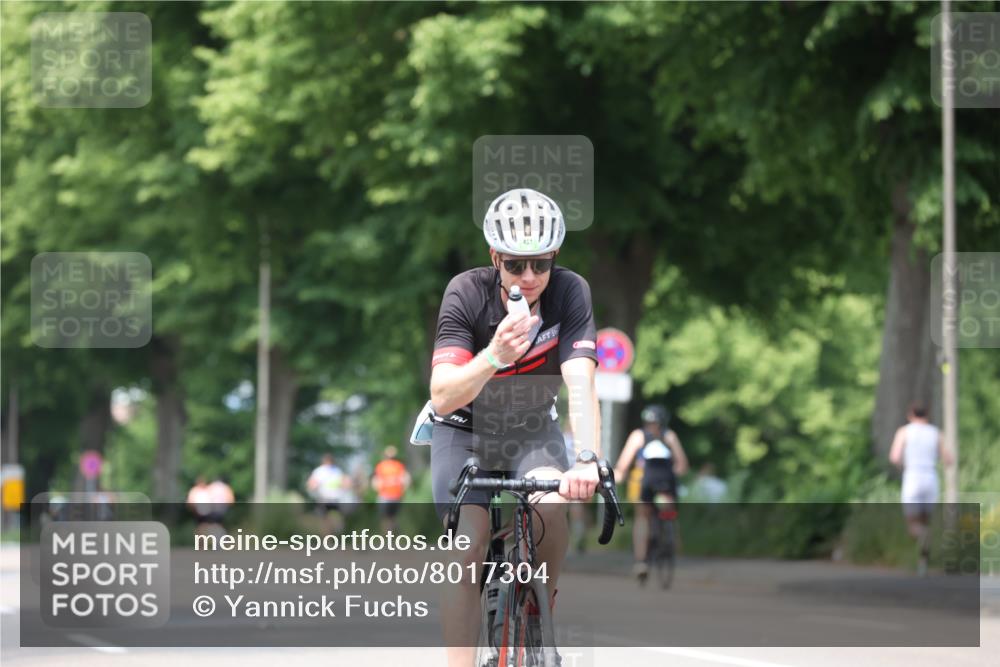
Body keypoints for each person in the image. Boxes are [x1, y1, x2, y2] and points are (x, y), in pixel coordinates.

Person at [429, 187, 601, 667]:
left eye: (540, 265)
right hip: (463, 429)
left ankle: (540, 610)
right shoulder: (466, 292)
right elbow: (442, 393)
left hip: (530, 429)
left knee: (552, 506)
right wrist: (494, 356)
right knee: (468, 545)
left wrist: (587, 458)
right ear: (494, 258)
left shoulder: (570, 292)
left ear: (554, 259)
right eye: (514, 265)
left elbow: (582, 383)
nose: (528, 278)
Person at [614, 404, 689, 581]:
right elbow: (682, 465)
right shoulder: (669, 435)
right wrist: (672, 474)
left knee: (642, 517)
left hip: (644, 481)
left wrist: (619, 476)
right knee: (669, 509)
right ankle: (672, 538)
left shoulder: (638, 436)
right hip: (666, 480)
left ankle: (641, 561)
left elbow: (623, 465)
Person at [889, 402, 953, 576]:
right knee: (925, 521)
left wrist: (904, 465)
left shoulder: (904, 432)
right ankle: (922, 563)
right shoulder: (935, 433)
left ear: (910, 415)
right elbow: (948, 460)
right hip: (931, 477)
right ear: (927, 414)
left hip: (913, 477)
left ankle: (923, 541)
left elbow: (895, 457)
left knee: (913, 525)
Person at [306, 454, 353, 535]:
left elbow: (344, 483)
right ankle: (327, 538)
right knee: (325, 519)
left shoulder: (336, 471)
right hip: (324, 498)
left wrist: (346, 485)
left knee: (336, 517)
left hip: (335, 498)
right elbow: (311, 483)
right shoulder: (319, 471)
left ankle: (335, 530)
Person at [371, 446, 411, 533]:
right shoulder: (381, 466)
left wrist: (403, 489)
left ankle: (392, 536)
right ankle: (387, 537)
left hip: (395, 496)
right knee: (386, 517)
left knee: (392, 517)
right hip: (385, 496)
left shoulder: (399, 465)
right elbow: (375, 480)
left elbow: (406, 478)